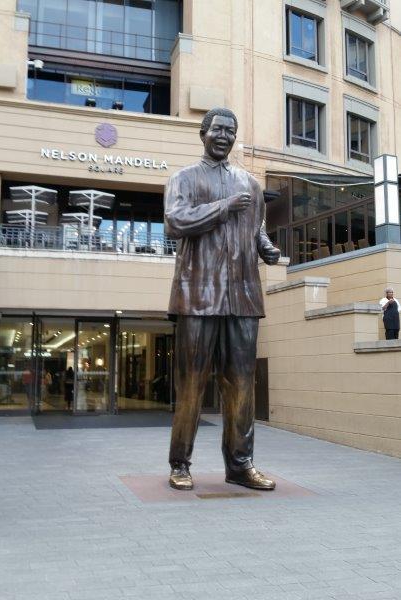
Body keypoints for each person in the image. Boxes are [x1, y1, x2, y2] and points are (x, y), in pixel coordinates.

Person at [165, 107, 280, 491]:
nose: (224, 136)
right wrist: (223, 208)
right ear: (203, 133)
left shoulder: (250, 183)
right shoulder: (183, 178)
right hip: (198, 294)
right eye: (217, 129)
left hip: (243, 296)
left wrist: (266, 246)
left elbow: (256, 227)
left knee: (242, 385)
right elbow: (175, 222)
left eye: (231, 131)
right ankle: (180, 463)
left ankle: (240, 465)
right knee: (192, 383)